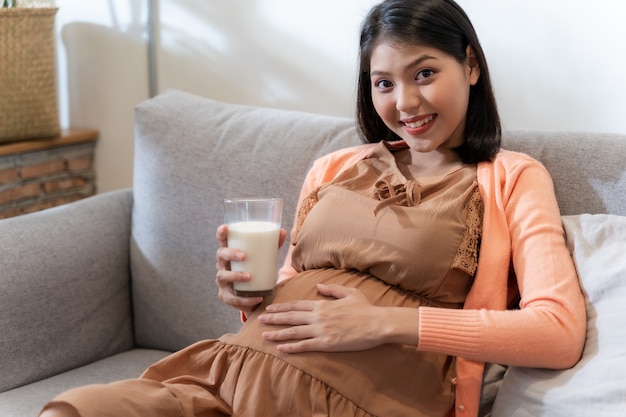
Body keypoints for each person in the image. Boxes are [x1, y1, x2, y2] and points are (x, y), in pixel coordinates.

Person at [40, 0, 586, 416]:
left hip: (360, 398)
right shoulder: (333, 167)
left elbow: (557, 333)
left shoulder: (512, 177)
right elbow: (297, 298)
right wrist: (247, 296)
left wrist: (384, 323)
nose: (405, 103)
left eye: (424, 73)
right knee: (69, 409)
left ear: (469, 66)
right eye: (383, 83)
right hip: (226, 374)